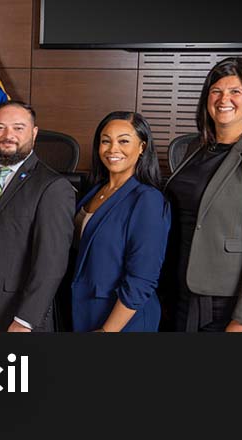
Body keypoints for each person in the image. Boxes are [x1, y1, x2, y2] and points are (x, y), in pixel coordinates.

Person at [163, 57, 242, 332]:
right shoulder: (195, 150)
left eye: (236, 91)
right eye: (216, 91)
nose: (224, 99)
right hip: (182, 291)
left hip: (226, 302)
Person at [0, 100, 75, 332]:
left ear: (34, 133)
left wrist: (25, 320)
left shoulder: (53, 187)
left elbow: (51, 264)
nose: (7, 135)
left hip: (17, 318)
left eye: (18, 128)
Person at [71, 111, 170, 332]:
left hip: (122, 322)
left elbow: (142, 278)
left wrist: (109, 330)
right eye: (106, 141)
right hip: (86, 312)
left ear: (142, 146)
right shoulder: (95, 191)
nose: (113, 149)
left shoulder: (147, 200)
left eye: (124, 141)